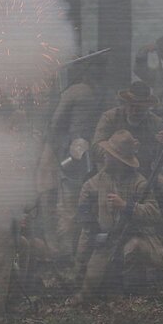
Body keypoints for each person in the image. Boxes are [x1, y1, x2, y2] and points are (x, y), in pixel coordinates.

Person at [73, 130, 163, 303]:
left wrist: (126, 206)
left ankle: (134, 294)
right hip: (110, 240)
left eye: (109, 155)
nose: (104, 158)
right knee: (90, 285)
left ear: (119, 161)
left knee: (132, 249)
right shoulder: (97, 181)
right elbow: (84, 216)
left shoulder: (139, 182)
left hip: (139, 238)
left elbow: (155, 214)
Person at [43, 57, 107, 262]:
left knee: (69, 204)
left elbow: (55, 124)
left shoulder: (76, 91)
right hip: (90, 153)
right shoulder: (101, 92)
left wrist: (54, 148)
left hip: (74, 153)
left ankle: (67, 253)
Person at [92, 81, 163, 176]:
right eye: (131, 106)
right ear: (125, 103)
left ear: (148, 107)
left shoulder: (156, 123)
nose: (134, 111)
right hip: (112, 174)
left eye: (140, 108)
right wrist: (122, 149)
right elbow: (96, 148)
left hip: (143, 175)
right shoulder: (110, 118)